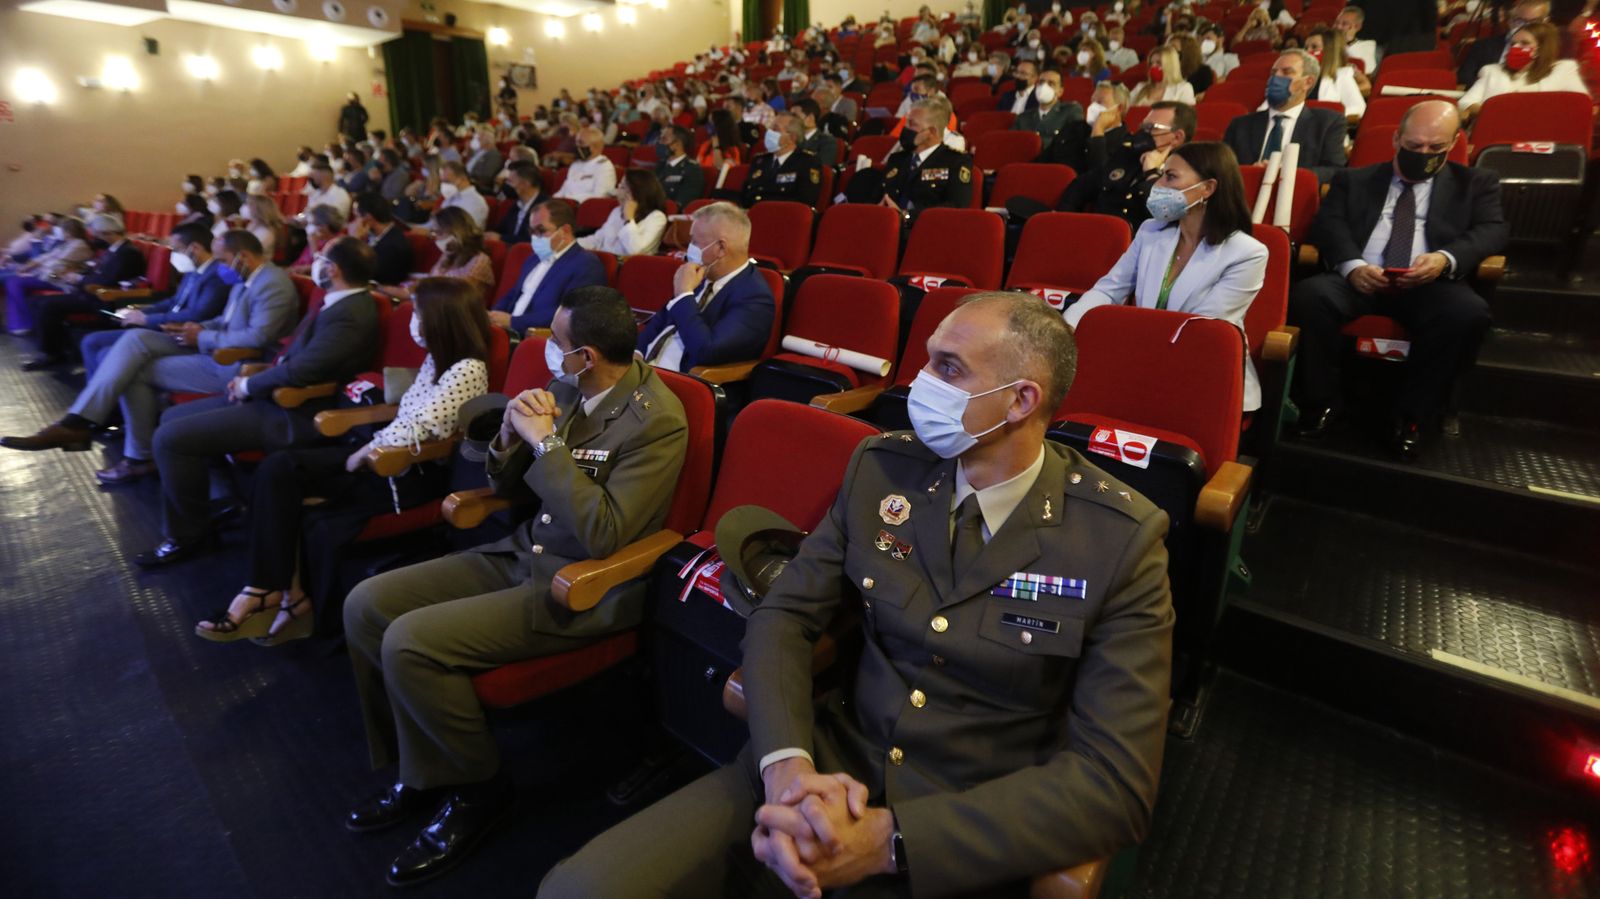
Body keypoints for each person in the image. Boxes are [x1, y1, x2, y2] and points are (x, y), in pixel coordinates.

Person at [541, 291, 1173, 899]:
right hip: (822, 764)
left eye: (947, 367)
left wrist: (889, 841)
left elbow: (1114, 784)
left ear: (1019, 400)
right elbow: (785, 613)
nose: (918, 379)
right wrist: (786, 765)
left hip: (959, 827)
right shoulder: (882, 467)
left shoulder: (1118, 538)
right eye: (925, 357)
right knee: (579, 887)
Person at [341, 284, 687, 887]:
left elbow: (605, 533)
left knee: (411, 641)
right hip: (522, 552)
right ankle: (420, 768)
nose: (547, 352)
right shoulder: (566, 387)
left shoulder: (655, 421)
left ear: (589, 356)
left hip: (581, 587)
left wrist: (546, 444)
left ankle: (478, 791)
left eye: (558, 344)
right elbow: (509, 485)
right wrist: (506, 437)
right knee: (366, 604)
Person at [194, 276, 492, 643]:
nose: (413, 320)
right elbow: (405, 413)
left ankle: (277, 597)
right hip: (383, 453)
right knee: (277, 468)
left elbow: (423, 427)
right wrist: (367, 449)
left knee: (297, 490)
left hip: (405, 471)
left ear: (442, 318)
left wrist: (364, 453)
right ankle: (270, 590)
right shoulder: (437, 359)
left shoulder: (468, 369)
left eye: (418, 312)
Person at [139, 236, 382, 567]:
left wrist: (250, 384)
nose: (317, 264)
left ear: (334, 269)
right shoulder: (337, 300)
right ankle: (209, 507)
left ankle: (189, 534)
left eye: (321, 258)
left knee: (169, 439)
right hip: (278, 394)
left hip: (298, 410)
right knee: (170, 420)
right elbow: (295, 361)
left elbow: (305, 370)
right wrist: (254, 377)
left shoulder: (351, 312)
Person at [1289, 101, 1508, 460]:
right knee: (1310, 296)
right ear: (1396, 139)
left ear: (1453, 143)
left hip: (1429, 282)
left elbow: (1492, 231)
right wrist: (1353, 266)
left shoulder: (1476, 183)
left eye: (1436, 148)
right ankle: (1321, 402)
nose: (1424, 154)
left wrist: (1444, 259)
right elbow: (1328, 225)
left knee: (1467, 314)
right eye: (1414, 146)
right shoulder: (1355, 179)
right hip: (1361, 276)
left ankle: (1411, 416)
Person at [0, 231, 296, 478]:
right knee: (136, 345)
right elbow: (225, 322)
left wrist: (202, 335)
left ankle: (91, 430)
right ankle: (98, 432)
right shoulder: (245, 279)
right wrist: (196, 327)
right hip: (214, 345)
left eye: (222, 260)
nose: (219, 266)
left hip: (235, 364)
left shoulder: (272, 284)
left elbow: (258, 337)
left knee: (134, 362)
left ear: (242, 257)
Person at [1065, 142, 1268, 411]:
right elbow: (1109, 289)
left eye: (1170, 176)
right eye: (1161, 174)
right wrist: (1069, 327)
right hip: (1142, 362)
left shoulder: (1247, 253)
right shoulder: (1151, 231)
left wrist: (1125, 343)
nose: (1157, 184)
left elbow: (1201, 331)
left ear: (1207, 188)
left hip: (1203, 377)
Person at [78, 225, 232, 385]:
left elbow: (197, 315)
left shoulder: (216, 276)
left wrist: (146, 319)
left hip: (180, 332)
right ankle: (104, 398)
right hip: (165, 325)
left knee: (97, 346)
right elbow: (174, 301)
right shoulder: (193, 269)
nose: (173, 255)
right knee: (94, 343)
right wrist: (142, 312)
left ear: (194, 248)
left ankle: (104, 401)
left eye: (176, 249)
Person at [637, 202, 775, 372]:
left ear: (721, 248)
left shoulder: (755, 298)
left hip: (683, 383)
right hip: (645, 371)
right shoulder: (701, 274)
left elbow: (706, 351)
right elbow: (659, 322)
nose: (690, 248)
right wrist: (637, 352)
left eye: (695, 241)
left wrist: (684, 295)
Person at [16, 215, 147, 369]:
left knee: (48, 305)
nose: (94, 239)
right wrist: (80, 276)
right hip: (92, 292)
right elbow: (99, 274)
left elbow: (108, 281)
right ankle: (58, 348)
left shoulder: (127, 252)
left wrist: (79, 279)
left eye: (97, 235)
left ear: (108, 233)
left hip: (104, 299)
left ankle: (51, 354)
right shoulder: (115, 250)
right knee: (36, 302)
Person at [1055, 100, 1193, 230]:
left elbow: (1167, 215)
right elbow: (1080, 186)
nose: (1143, 133)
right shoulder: (1128, 155)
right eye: (1143, 126)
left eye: (1152, 128)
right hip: (1095, 233)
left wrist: (1151, 173)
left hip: (1137, 245)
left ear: (1177, 137)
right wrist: (1063, 223)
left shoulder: (1186, 172)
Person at [1222, 50, 1348, 185]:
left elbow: (1334, 170)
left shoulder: (1327, 122)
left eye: (1287, 72)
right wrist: (1250, 173)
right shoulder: (1240, 125)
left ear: (1308, 82)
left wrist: (1290, 174)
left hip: (1297, 197)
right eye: (1273, 73)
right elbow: (1222, 169)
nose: (1276, 78)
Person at [490, 200, 607, 333]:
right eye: (532, 232)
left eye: (541, 230)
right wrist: (494, 314)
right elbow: (513, 294)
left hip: (536, 337)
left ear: (565, 230)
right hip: (506, 330)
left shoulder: (586, 264)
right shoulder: (533, 259)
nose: (535, 238)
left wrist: (513, 322)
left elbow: (568, 314)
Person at [1458, 22, 1590, 122]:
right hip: (1498, 135)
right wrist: (1497, 113)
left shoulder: (1563, 71)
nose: (1515, 47)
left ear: (1541, 49)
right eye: (1513, 43)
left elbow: (1580, 105)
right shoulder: (1493, 71)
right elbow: (1466, 103)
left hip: (1542, 138)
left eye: (1524, 43)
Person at [379, 206, 496, 304]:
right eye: (434, 232)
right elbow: (431, 280)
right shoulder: (449, 254)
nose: (435, 238)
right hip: (431, 306)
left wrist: (413, 290)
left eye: (439, 233)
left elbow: (456, 294)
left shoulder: (480, 260)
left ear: (456, 232)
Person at [2, 217, 93, 333]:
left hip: (58, 279)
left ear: (69, 232)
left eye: (62, 230)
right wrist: (29, 268)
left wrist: (33, 274)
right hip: (47, 275)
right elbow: (46, 257)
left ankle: (22, 324)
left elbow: (57, 264)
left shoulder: (80, 246)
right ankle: (19, 323)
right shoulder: (66, 244)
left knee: (15, 282)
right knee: (13, 280)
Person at [1457, 0, 1549, 88]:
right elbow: (1464, 77)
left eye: (1535, 22)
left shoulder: (1554, 53)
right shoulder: (1483, 46)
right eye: (1520, 21)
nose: (1527, 27)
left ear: (1546, 22)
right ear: (1510, 22)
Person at [740, 114, 824, 208]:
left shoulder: (807, 162)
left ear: (792, 137)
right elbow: (745, 195)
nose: (769, 132)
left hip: (783, 215)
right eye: (770, 128)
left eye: (775, 129)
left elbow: (806, 200)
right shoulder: (760, 160)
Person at [579, 169, 670, 257]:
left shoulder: (657, 217)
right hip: (605, 261)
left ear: (635, 193)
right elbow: (597, 240)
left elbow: (635, 250)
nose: (618, 189)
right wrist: (571, 243)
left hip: (630, 266)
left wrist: (629, 219)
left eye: (622, 187)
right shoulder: (617, 211)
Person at [349, 194, 415, 287]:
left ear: (368, 218)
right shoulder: (372, 235)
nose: (353, 222)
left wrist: (354, 241)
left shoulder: (393, 246)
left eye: (356, 216)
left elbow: (357, 274)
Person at [1305, 28, 1369, 119]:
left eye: (1314, 47)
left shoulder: (1342, 75)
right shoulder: (1300, 77)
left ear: (1329, 50)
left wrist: (1327, 117)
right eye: (1306, 48)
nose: (1308, 51)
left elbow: (1359, 109)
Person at [1013, 69, 1086, 147]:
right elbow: (1011, 143)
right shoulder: (1023, 117)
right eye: (1041, 82)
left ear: (1060, 92)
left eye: (1051, 83)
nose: (1044, 87)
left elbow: (1075, 142)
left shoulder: (1071, 111)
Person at [556, 128, 620, 203]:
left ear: (595, 147)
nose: (577, 146)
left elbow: (600, 197)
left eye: (581, 143)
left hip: (583, 208)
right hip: (566, 206)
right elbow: (564, 189)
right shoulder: (576, 164)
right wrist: (552, 201)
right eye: (576, 142)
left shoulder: (604, 167)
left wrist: (570, 201)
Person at [496, 160, 547, 244]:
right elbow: (501, 229)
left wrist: (502, 238)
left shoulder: (546, 208)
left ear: (526, 184)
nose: (507, 185)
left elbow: (533, 240)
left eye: (510, 182)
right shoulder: (516, 205)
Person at [655, 125, 706, 209]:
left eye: (664, 139)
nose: (660, 143)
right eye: (660, 138)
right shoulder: (660, 165)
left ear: (677, 144)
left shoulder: (692, 170)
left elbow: (682, 204)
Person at [289, 204, 346, 278]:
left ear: (324, 226)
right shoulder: (318, 239)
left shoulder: (339, 243)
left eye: (312, 223)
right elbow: (298, 264)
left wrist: (314, 247)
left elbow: (324, 269)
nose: (309, 227)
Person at [1130, 47, 1196, 106]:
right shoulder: (1140, 87)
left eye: (1158, 63)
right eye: (1151, 63)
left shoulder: (1184, 88)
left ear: (1170, 65)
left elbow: (1187, 115)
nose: (1153, 66)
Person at [437, 161, 490, 229]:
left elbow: (463, 231)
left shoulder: (476, 202)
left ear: (462, 179)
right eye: (442, 182)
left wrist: (430, 233)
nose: (444, 186)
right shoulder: (450, 198)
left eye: (447, 181)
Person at [793, 99, 840, 168]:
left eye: (795, 116)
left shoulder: (827, 142)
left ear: (810, 118)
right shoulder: (792, 138)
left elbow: (822, 169)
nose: (791, 121)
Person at [1333, 6, 1380, 74]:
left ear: (1357, 27)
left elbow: (1368, 75)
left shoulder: (1365, 47)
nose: (1338, 27)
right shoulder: (1324, 42)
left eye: (1344, 24)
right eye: (1336, 22)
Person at [242, 194, 285, 261]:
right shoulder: (253, 224)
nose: (247, 208)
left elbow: (249, 252)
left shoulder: (267, 233)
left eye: (250, 206)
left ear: (258, 210)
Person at [465, 125, 504, 193]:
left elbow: (486, 177)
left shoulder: (493, 155)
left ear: (487, 140)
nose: (477, 140)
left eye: (479, 138)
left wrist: (467, 180)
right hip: (467, 181)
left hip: (478, 187)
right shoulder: (479, 152)